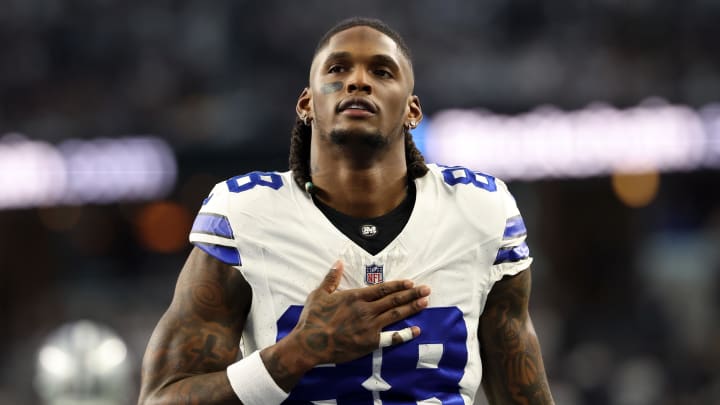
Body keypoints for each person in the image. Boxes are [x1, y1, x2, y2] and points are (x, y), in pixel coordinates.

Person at [139, 17, 554, 405]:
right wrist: (295, 353)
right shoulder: (246, 214)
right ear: (306, 104)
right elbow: (162, 396)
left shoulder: (479, 211)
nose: (357, 81)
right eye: (337, 70)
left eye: (382, 71)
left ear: (412, 110)